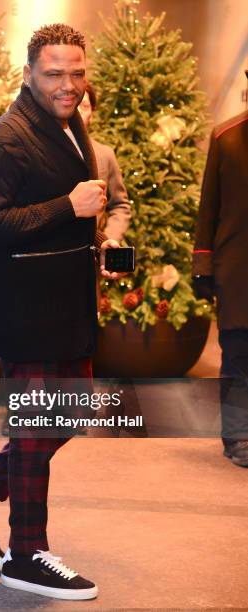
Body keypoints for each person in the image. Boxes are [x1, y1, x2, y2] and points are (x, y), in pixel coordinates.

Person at [0, 24, 123, 601]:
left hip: (64, 306)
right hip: (26, 309)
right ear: (27, 74)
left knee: (68, 416)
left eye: (76, 73)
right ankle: (27, 556)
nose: (68, 84)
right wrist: (67, 205)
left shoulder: (68, 125)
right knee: (38, 427)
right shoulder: (6, 141)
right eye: (54, 74)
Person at [192, 77, 248, 467]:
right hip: (238, 273)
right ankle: (238, 437)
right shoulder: (226, 137)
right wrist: (203, 265)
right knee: (239, 358)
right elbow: (207, 209)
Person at [78, 83, 131, 242]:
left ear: (92, 113)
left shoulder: (104, 154)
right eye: (74, 104)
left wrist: (109, 239)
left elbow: (120, 206)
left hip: (93, 251)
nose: (78, 112)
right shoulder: (44, 151)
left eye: (84, 106)